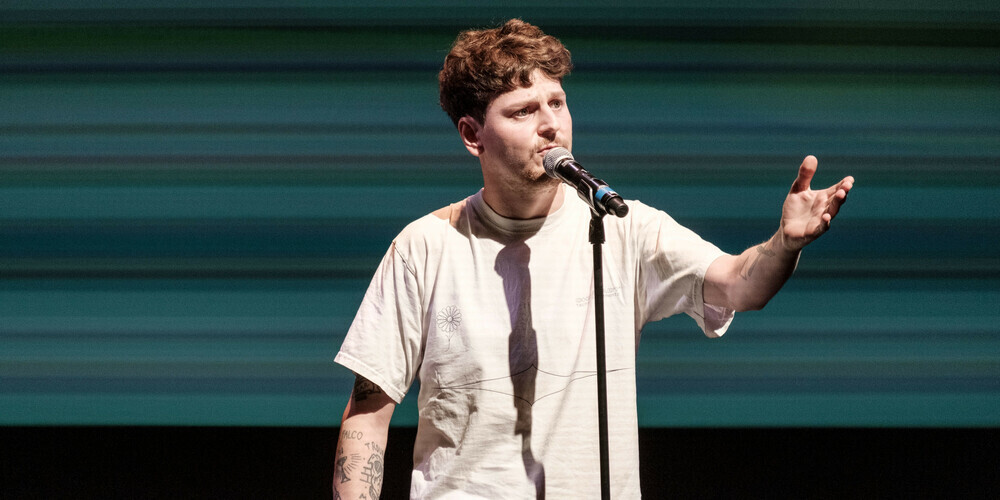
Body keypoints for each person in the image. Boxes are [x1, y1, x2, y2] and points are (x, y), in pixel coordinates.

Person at [332, 19, 853, 499]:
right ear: (473, 135)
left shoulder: (624, 227)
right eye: (523, 111)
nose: (550, 125)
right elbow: (368, 414)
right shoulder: (425, 246)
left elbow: (741, 284)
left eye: (556, 103)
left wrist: (783, 244)